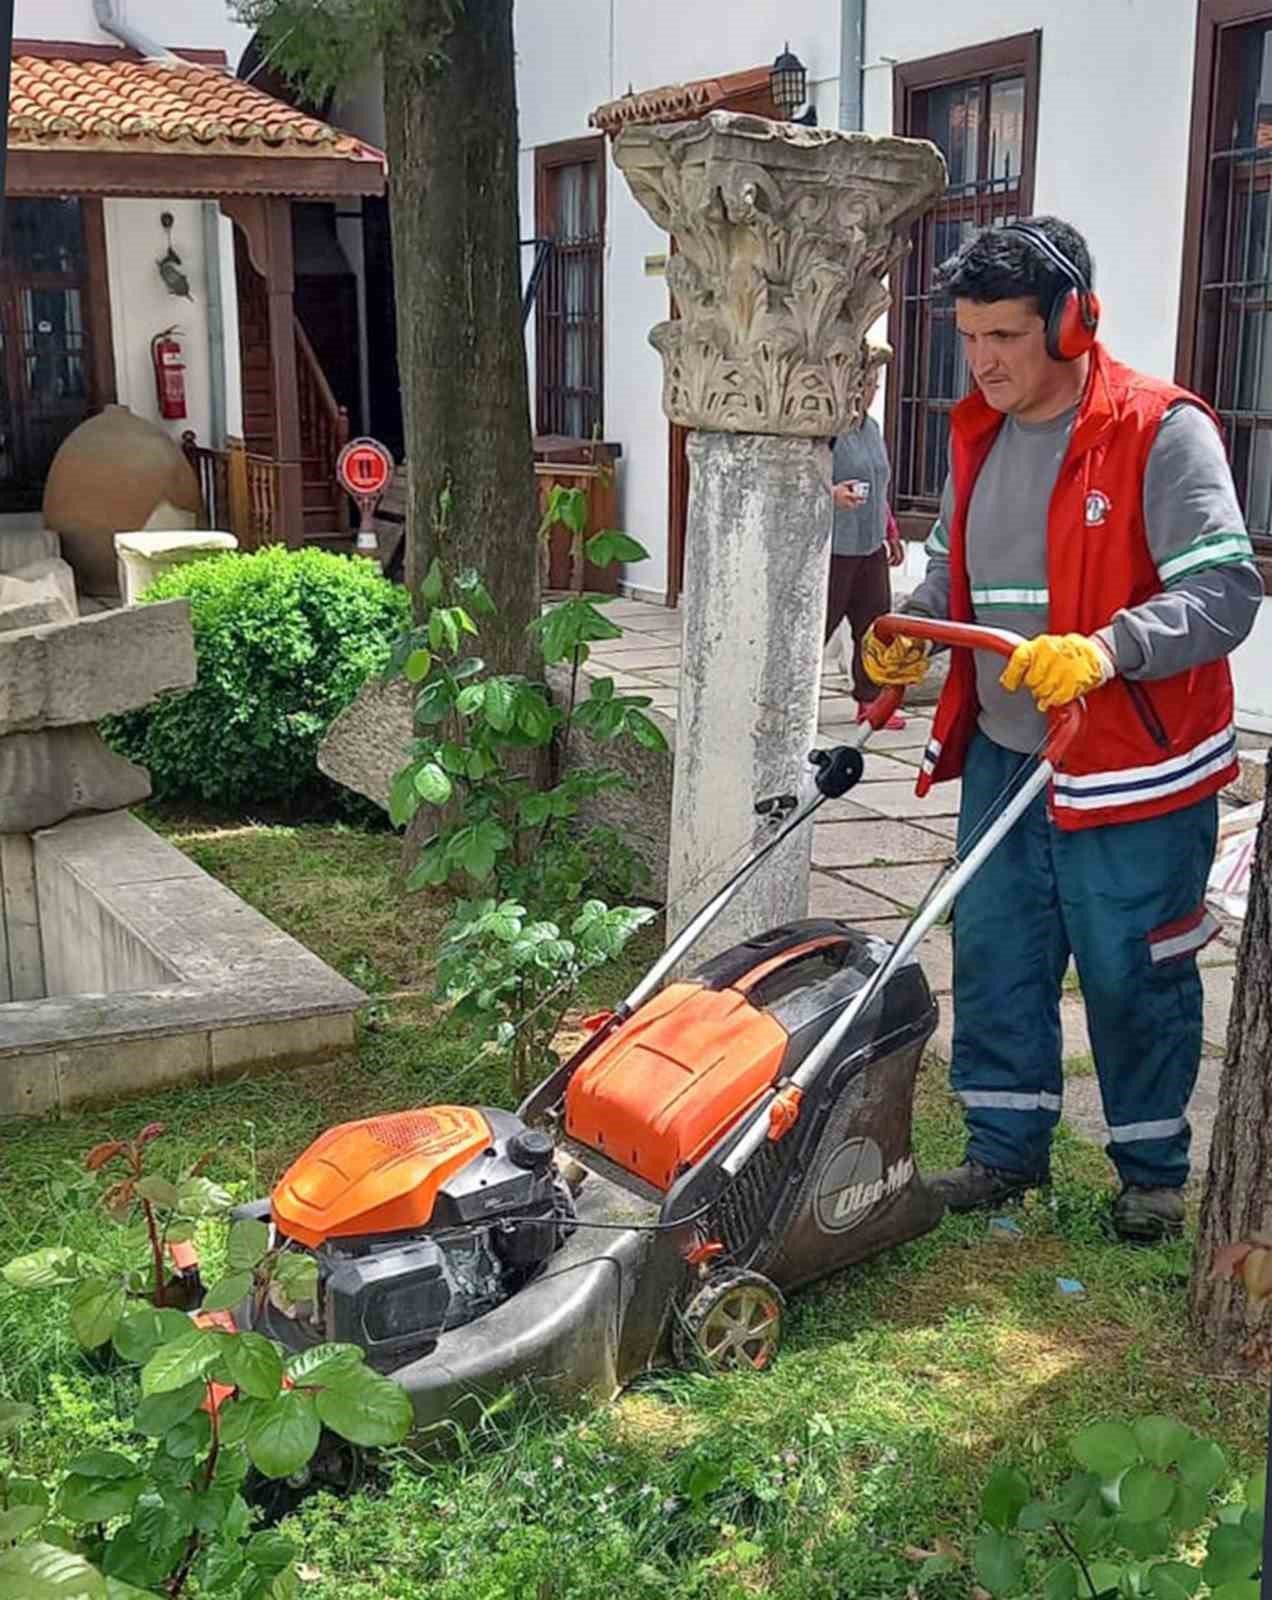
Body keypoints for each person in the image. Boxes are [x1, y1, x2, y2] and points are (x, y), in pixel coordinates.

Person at [862, 216, 1261, 1242]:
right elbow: (953, 572)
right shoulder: (976, 434)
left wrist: (1107, 648)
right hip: (1006, 750)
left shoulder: (1160, 431)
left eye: (1005, 335)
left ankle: (1151, 1172)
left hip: (1130, 762)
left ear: (1073, 321)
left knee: (1134, 962)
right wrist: (908, 643)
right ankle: (1004, 1153)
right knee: (998, 947)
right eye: (969, 336)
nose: (984, 360)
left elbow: (1225, 590)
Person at [828, 347, 906, 729]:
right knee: (820, 626)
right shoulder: (828, 431)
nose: (868, 391)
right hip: (835, 546)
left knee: (876, 627)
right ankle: (791, 701)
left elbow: (880, 483)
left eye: (873, 384)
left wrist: (891, 531)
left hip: (870, 543)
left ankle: (870, 701)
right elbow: (798, 482)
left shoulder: (871, 429)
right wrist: (831, 493)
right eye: (862, 383)